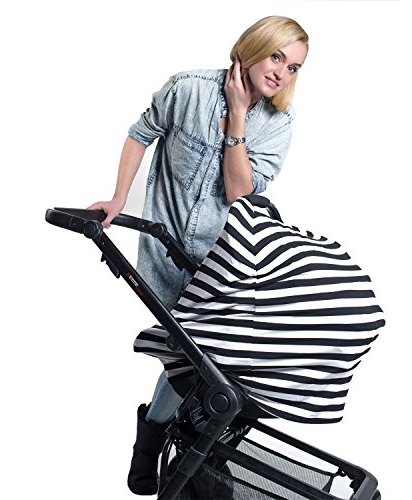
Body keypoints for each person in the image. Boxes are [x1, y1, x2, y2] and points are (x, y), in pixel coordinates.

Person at [89, 15, 309, 496]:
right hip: (166, 253)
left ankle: (185, 451)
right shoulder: (187, 88)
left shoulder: (279, 123)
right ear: (253, 47)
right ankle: (162, 444)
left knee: (211, 364)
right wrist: (119, 199)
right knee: (188, 358)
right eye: (276, 57)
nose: (281, 73)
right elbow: (141, 133)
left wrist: (237, 117)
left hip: (224, 261)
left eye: (293, 67)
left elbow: (237, 191)